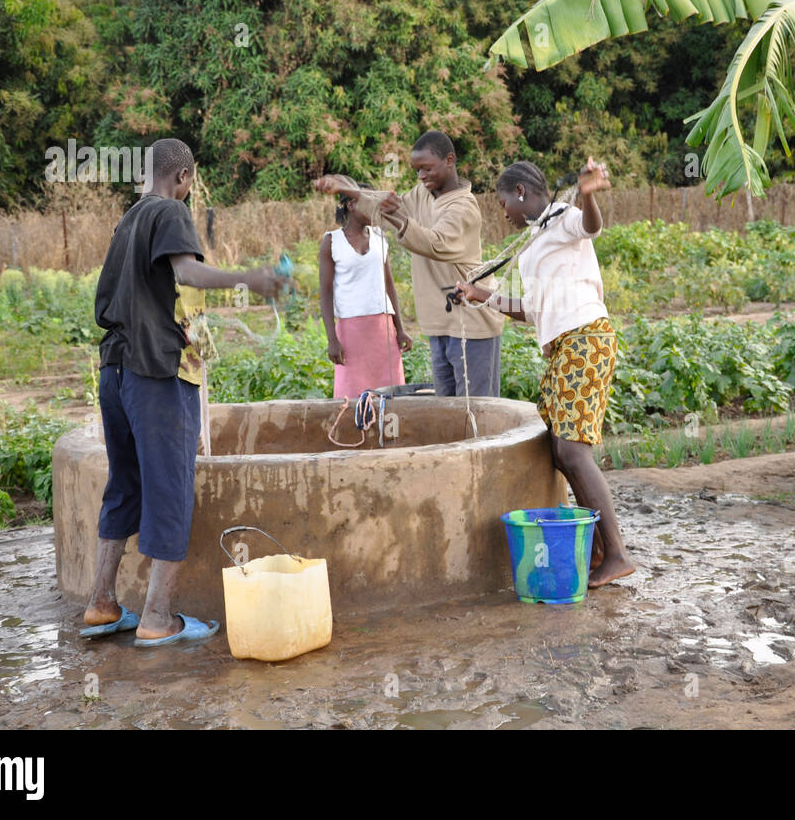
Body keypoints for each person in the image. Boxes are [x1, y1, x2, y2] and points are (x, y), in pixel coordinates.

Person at [81, 138, 287, 646]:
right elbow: (186, 272)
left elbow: (147, 296)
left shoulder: (127, 220)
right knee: (170, 488)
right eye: (190, 183)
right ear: (183, 177)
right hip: (156, 372)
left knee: (125, 484)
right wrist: (250, 279)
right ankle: (157, 617)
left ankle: (102, 603)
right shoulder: (172, 209)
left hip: (116, 370)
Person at [454, 157, 635, 588]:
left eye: (502, 203)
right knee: (559, 451)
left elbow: (591, 226)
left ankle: (617, 554)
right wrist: (480, 294)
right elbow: (533, 311)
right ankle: (593, 550)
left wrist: (587, 194)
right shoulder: (536, 238)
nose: (503, 213)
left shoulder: (563, 217)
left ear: (520, 193)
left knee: (572, 453)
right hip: (563, 347)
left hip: (585, 339)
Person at [314, 131, 504, 397]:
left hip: (470, 325)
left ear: (450, 160)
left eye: (427, 169)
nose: (421, 177)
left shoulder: (463, 207)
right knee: (447, 412)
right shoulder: (423, 195)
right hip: (439, 324)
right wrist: (347, 190)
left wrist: (399, 218)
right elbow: (387, 207)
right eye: (417, 171)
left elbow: (434, 243)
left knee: (477, 413)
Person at [319, 178, 411, 398]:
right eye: (369, 202)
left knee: (389, 396)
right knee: (351, 397)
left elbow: (389, 284)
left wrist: (399, 328)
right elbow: (326, 292)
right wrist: (332, 339)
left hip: (383, 330)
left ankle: (388, 433)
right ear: (351, 205)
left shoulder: (380, 238)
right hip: (351, 333)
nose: (375, 208)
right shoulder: (332, 241)